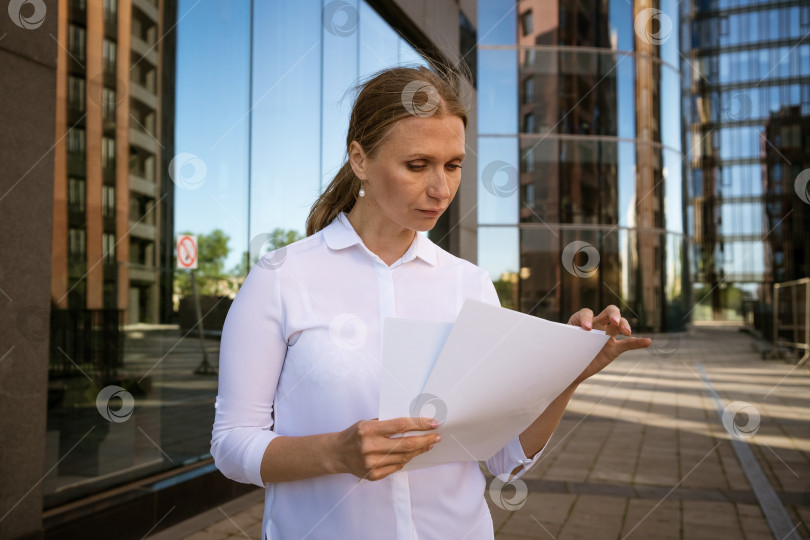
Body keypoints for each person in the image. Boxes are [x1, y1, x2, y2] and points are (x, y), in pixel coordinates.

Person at [210, 64, 652, 539]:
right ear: (360, 159)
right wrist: (335, 452)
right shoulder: (282, 277)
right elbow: (232, 445)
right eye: (417, 165)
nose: (441, 189)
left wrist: (567, 372)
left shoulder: (470, 284)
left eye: (454, 165)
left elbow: (504, 458)